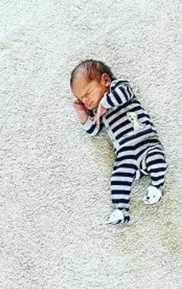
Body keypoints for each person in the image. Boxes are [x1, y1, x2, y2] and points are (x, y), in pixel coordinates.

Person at [70, 60, 167, 224]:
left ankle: (156, 185)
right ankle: (121, 210)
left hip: (145, 141)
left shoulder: (118, 87)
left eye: (88, 93)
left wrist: (104, 103)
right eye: (81, 99)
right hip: (125, 154)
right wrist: (83, 114)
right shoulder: (96, 111)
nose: (86, 101)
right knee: (117, 178)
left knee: (157, 159)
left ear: (105, 81)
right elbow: (94, 130)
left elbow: (125, 92)